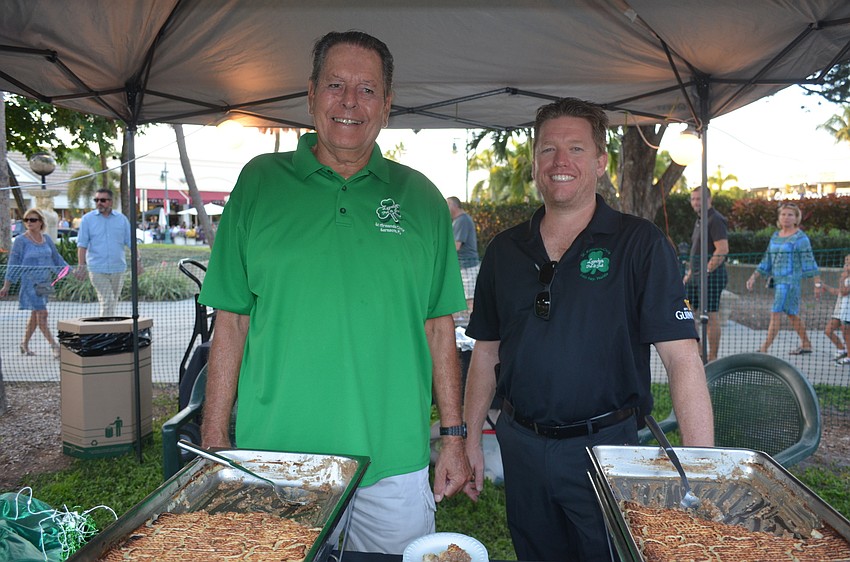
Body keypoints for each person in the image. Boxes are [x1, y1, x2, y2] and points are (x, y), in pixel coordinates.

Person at [198, 31, 470, 555]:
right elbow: (231, 319)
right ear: (310, 95)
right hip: (277, 458)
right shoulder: (259, 183)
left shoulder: (422, 199)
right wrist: (215, 439)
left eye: (367, 89)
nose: (349, 101)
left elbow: (439, 328)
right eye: (335, 85)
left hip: (392, 463)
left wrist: (454, 439)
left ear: (387, 106)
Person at [462, 97, 714, 562]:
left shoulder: (640, 244)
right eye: (548, 149)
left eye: (576, 149)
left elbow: (682, 359)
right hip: (521, 445)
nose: (560, 161)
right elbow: (486, 351)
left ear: (600, 163)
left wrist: (701, 467)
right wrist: (470, 436)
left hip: (607, 449)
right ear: (534, 163)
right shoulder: (504, 250)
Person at [746, 203, 823, 355]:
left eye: (790, 215)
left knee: (776, 312)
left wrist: (817, 283)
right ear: (779, 217)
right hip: (778, 281)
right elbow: (767, 259)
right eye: (783, 214)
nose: (786, 218)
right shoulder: (775, 236)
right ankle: (806, 344)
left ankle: (764, 348)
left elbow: (809, 261)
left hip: (790, 283)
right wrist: (754, 276)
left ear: (796, 218)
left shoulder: (800, 238)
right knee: (791, 313)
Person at [1, 208, 68, 358]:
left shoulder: (46, 239)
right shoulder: (20, 240)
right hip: (29, 283)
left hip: (44, 283)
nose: (29, 223)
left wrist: (71, 272)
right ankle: (54, 346)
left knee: (35, 315)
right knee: (42, 313)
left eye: (33, 220)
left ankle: (24, 344)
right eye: (26, 220)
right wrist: (7, 285)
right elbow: (13, 263)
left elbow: (57, 258)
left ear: (41, 222)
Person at [682, 186, 729, 362]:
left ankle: (713, 357)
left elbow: (722, 249)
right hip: (694, 277)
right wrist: (689, 273)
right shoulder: (700, 220)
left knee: (710, 315)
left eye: (699, 199)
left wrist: (707, 270)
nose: (695, 202)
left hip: (711, 278)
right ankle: (700, 351)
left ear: (709, 199)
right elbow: (697, 251)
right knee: (685, 309)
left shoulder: (715, 219)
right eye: (693, 199)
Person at [75, 188, 137, 317]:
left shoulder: (122, 219)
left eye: (103, 200)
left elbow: (131, 242)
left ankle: (108, 325)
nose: (99, 203)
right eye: (96, 200)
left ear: (111, 202)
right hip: (97, 268)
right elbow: (82, 245)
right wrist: (81, 266)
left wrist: (138, 261)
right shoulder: (87, 220)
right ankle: (106, 328)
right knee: (108, 301)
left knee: (113, 301)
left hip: (118, 268)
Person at [447, 196, 480, 316]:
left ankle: (471, 322)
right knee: (464, 298)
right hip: (463, 266)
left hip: (467, 266)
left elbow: (456, 245)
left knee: (469, 299)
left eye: (447, 205)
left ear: (454, 206)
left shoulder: (462, 220)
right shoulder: (458, 221)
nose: (446, 208)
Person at [822, 254, 850, 365]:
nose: (846, 266)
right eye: (845, 263)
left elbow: (844, 291)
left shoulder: (846, 279)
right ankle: (842, 349)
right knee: (828, 330)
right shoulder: (847, 278)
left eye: (848, 264)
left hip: (847, 312)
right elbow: (838, 292)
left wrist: (842, 279)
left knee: (847, 334)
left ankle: (849, 356)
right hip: (841, 311)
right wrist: (825, 286)